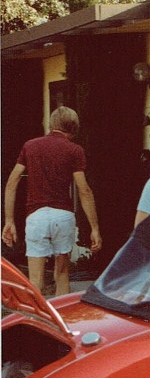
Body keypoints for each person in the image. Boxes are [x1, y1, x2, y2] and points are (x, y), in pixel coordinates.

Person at [2, 106, 102, 296]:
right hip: (62, 216)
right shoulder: (75, 150)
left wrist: (9, 220)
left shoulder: (30, 146)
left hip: (36, 216)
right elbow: (84, 190)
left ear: (51, 124)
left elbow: (11, 183)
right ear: (73, 128)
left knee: (35, 280)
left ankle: (36, 323)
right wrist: (94, 228)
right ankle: (60, 321)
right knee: (62, 274)